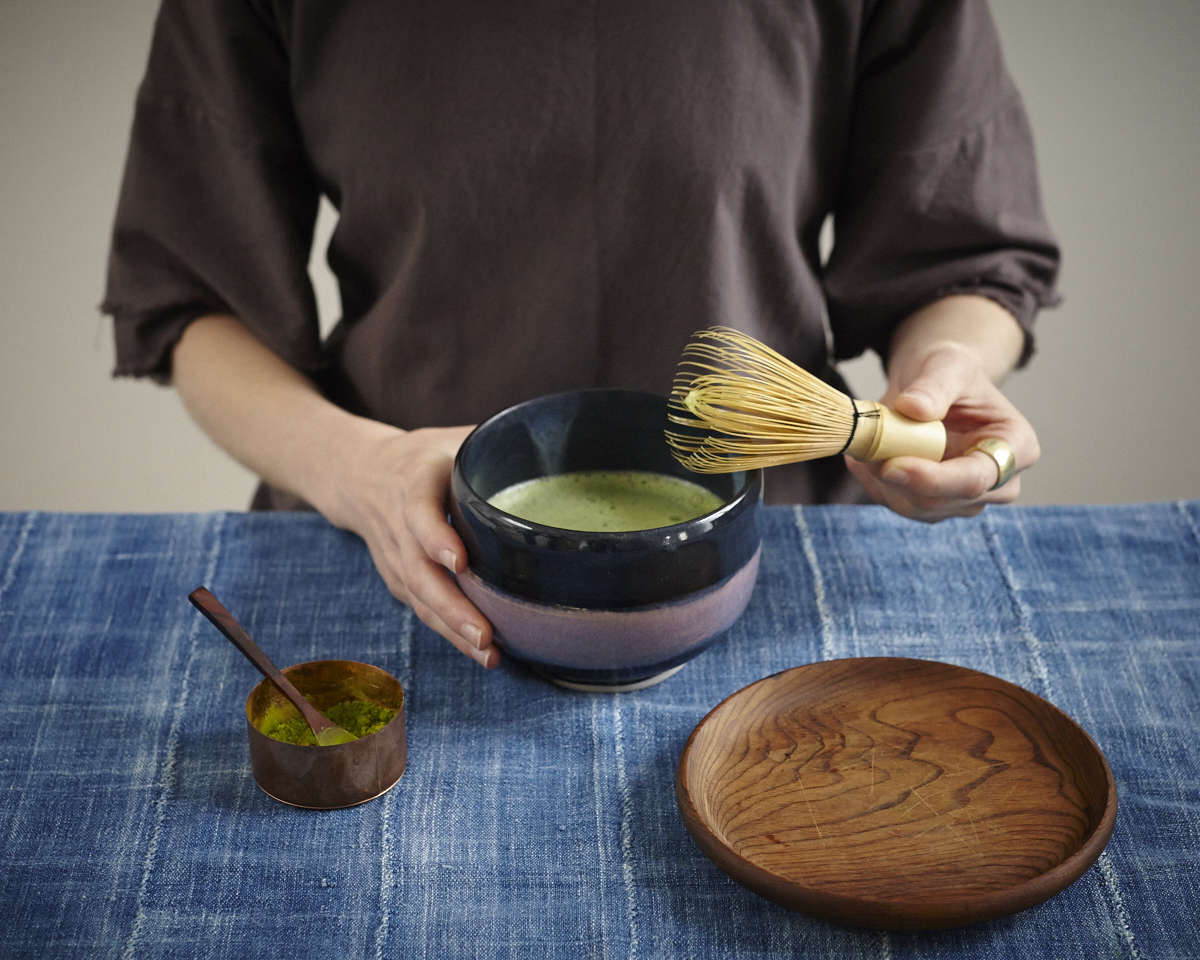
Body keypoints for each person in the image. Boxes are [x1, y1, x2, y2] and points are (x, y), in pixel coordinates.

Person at [103, 1, 1060, 670]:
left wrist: (949, 370)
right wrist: (361, 474)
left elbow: (959, 256)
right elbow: (194, 293)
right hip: (389, 560)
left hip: (769, 570)